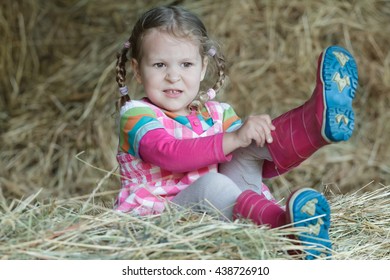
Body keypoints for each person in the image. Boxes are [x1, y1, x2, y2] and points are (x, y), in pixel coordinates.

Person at [114, 6, 358, 260]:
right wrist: (233, 138)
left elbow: (259, 166)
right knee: (213, 183)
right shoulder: (136, 115)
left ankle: (313, 126)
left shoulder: (218, 113)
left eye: (186, 64)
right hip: (163, 222)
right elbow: (169, 154)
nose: (173, 76)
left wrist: (246, 137)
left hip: (225, 211)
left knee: (248, 147)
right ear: (137, 70)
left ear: (202, 67)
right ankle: (282, 228)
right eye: (159, 64)